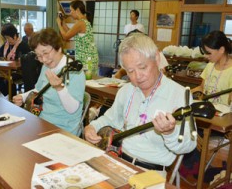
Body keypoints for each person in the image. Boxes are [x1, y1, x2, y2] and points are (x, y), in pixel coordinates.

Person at [84, 33, 196, 176]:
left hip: (151, 172)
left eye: (142, 67)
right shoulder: (126, 90)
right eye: (130, 71)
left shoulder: (179, 94)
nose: (137, 76)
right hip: (119, 163)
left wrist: (170, 133)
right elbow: (111, 119)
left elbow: (188, 145)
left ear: (156, 58)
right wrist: (92, 127)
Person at [13, 28, 85, 136]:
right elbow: (39, 90)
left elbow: (72, 110)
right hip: (43, 121)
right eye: (39, 56)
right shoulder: (46, 66)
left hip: (64, 129)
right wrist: (23, 97)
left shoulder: (74, 72)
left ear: (59, 48)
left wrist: (60, 89)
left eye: (46, 53)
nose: (44, 60)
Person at [180, 30, 232, 178]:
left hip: (222, 118)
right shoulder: (210, 66)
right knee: (183, 126)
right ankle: (192, 165)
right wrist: (185, 93)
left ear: (221, 50)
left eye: (208, 53)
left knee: (191, 132)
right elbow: (202, 88)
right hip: (205, 114)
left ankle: (195, 167)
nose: (206, 56)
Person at [56, 0, 99, 74]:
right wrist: (63, 22)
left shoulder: (81, 23)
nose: (70, 13)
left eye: (71, 10)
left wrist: (59, 24)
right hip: (89, 57)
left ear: (77, 10)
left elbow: (66, 37)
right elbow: (70, 32)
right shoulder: (84, 21)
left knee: (86, 82)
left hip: (86, 58)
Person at [0, 23, 30, 97]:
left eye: (8, 38)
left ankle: (12, 97)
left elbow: (26, 62)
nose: (7, 40)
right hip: (8, 69)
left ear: (15, 36)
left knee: (9, 78)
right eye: (6, 38)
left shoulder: (23, 46)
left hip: (20, 72)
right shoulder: (7, 45)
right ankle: (9, 94)